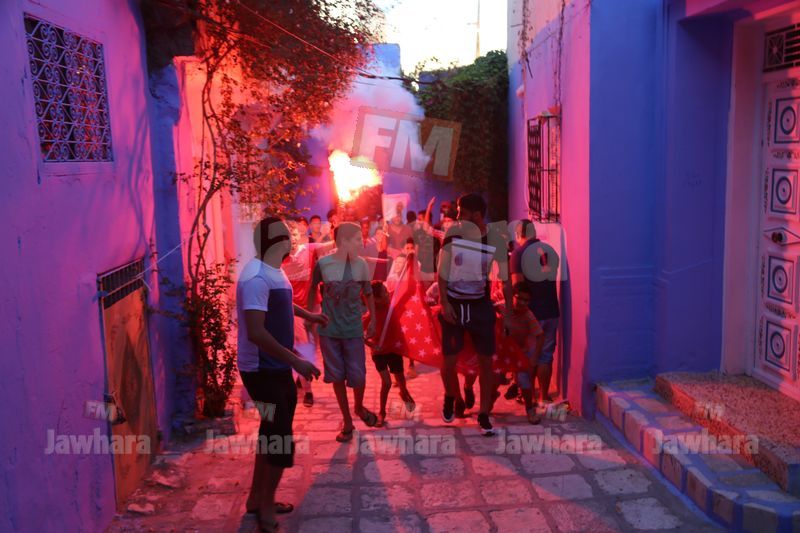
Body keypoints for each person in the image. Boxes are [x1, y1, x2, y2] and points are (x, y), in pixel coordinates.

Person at [237, 217, 326, 531]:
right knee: (280, 438)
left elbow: (283, 305)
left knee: (270, 433)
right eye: (286, 236)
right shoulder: (256, 278)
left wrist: (310, 314)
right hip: (261, 372)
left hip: (275, 368)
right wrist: (297, 361)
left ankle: (256, 498)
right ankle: (265, 507)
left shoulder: (274, 270)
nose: (292, 239)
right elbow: (256, 332)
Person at [437, 194, 512, 436]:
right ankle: (451, 396)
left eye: (462, 212)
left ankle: (484, 413)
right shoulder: (453, 235)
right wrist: (444, 302)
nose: (457, 216)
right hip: (454, 304)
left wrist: (509, 314)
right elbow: (442, 271)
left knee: (486, 363)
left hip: (480, 305)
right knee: (448, 361)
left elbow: (506, 279)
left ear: (477, 215)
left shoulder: (495, 240)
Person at [308, 222, 379, 442]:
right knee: (337, 376)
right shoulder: (323, 264)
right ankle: (347, 421)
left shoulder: (361, 265)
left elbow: (368, 293)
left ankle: (358, 407)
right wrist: (311, 316)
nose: (361, 243)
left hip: (353, 330)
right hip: (329, 331)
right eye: (357, 239)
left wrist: (373, 319)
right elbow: (312, 287)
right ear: (343, 242)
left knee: (358, 376)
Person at [510, 219, 560, 406]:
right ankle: (544, 397)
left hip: (531, 314)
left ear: (519, 235)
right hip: (551, 310)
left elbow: (518, 285)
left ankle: (528, 396)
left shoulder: (518, 254)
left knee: (529, 356)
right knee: (546, 355)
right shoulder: (549, 250)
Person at [365, 281, 416, 426]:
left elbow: (407, 292)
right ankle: (382, 412)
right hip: (379, 353)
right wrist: (372, 344)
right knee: (386, 382)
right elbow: (358, 333)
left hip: (394, 350)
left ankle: (403, 392)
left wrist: (411, 270)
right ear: (375, 299)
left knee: (400, 379)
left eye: (387, 291)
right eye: (384, 293)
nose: (388, 294)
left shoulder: (393, 306)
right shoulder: (370, 316)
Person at [506, 282, 545, 424]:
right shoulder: (503, 308)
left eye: (526, 300)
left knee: (525, 381)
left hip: (521, 353)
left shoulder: (528, 315)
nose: (522, 303)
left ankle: (530, 410)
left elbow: (540, 336)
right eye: (519, 298)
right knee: (494, 380)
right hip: (504, 352)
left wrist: (534, 357)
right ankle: (486, 410)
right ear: (512, 296)